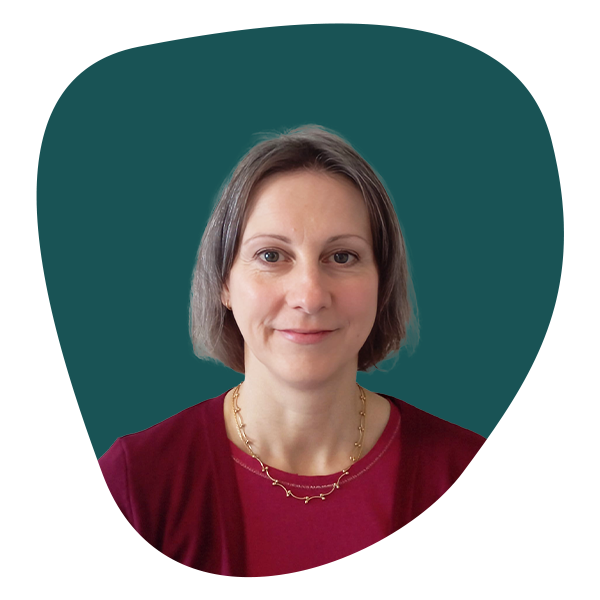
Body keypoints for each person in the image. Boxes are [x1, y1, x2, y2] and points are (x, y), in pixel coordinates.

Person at [79, 125, 528, 578]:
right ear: (223, 282)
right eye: (271, 256)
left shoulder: (474, 481)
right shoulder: (130, 485)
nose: (310, 296)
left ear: (382, 283)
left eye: (343, 256)